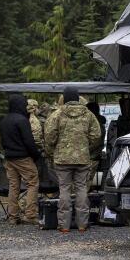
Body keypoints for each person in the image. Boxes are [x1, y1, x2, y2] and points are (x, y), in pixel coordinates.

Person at [44, 87, 102, 233]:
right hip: (82, 158)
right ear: (77, 98)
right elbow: (96, 135)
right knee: (82, 188)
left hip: (62, 159)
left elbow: (49, 136)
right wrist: (86, 148)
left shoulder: (57, 114)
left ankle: (64, 225)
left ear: (64, 98)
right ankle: (82, 224)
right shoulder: (88, 114)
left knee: (64, 189)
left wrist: (53, 151)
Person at [0, 94, 42, 226]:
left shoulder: (4, 120)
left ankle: (13, 216)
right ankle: (30, 214)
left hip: (9, 158)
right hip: (23, 157)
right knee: (32, 183)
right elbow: (29, 142)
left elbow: (2, 141)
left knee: (13, 186)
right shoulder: (22, 120)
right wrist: (36, 155)